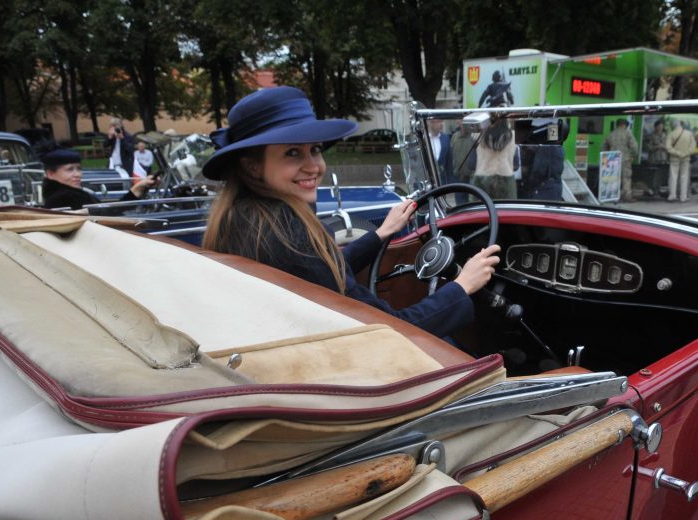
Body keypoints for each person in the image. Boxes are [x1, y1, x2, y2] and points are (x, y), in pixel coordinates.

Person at [200, 86, 500, 339]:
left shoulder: (243, 219)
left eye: (314, 150)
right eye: (293, 153)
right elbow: (393, 330)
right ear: (252, 165)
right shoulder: (287, 233)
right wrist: (462, 286)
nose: (313, 166)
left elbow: (322, 271)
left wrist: (382, 234)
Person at [38, 143, 156, 211]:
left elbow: (107, 211)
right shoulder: (62, 199)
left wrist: (138, 188)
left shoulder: (70, 194)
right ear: (50, 174)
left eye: (79, 168)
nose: (78, 174)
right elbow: (107, 215)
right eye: (70, 169)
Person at [471, 113, 518, 199]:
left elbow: (470, 164)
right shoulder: (512, 136)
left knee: (479, 210)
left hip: (481, 179)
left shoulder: (477, 136)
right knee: (507, 210)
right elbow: (516, 165)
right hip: (506, 179)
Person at [602, 118, 638, 202]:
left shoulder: (611, 134)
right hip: (625, 159)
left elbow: (603, 146)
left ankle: (611, 196)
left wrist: (606, 156)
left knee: (613, 177)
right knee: (626, 178)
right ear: (624, 125)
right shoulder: (628, 133)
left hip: (612, 159)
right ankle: (626, 196)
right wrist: (633, 155)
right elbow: (634, 146)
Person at [665, 119, 696, 202]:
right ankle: (683, 196)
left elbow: (668, 147)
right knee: (684, 176)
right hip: (686, 158)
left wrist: (677, 153)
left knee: (673, 176)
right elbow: (693, 148)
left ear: (673, 125)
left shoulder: (671, 134)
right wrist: (685, 153)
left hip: (674, 158)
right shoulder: (689, 134)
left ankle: (672, 195)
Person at [450, 121, 477, 203]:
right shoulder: (455, 137)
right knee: (460, 206)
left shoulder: (474, 137)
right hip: (458, 178)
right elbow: (451, 155)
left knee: (472, 205)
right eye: (462, 121)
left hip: (471, 178)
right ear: (459, 123)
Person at [645, 119, 669, 197]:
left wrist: (664, 147)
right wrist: (656, 147)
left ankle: (657, 189)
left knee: (661, 175)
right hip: (654, 159)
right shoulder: (651, 136)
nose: (660, 128)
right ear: (655, 127)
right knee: (653, 175)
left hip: (663, 159)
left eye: (661, 126)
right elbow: (647, 147)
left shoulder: (665, 135)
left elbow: (669, 146)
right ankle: (653, 189)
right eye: (659, 126)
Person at [428, 119, 452, 183]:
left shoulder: (445, 138)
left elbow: (449, 162)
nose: (441, 124)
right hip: (428, 182)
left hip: (442, 182)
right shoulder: (423, 139)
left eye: (442, 121)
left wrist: (450, 185)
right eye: (439, 121)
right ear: (431, 123)